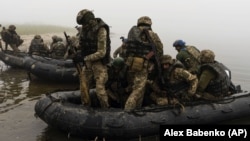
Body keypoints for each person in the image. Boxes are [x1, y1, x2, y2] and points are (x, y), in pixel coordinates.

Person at [124, 16, 163, 112]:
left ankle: (137, 108)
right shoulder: (151, 34)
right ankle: (127, 110)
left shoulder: (132, 33)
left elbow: (127, 49)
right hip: (143, 64)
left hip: (131, 64)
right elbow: (159, 50)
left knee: (136, 87)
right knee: (138, 89)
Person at [74, 9, 111, 108]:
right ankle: (86, 107)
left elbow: (101, 52)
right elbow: (80, 45)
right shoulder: (84, 30)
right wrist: (76, 52)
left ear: (90, 21)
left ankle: (106, 108)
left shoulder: (101, 29)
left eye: (84, 23)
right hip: (88, 63)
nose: (83, 26)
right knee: (84, 87)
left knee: (100, 89)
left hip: (99, 63)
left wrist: (84, 58)